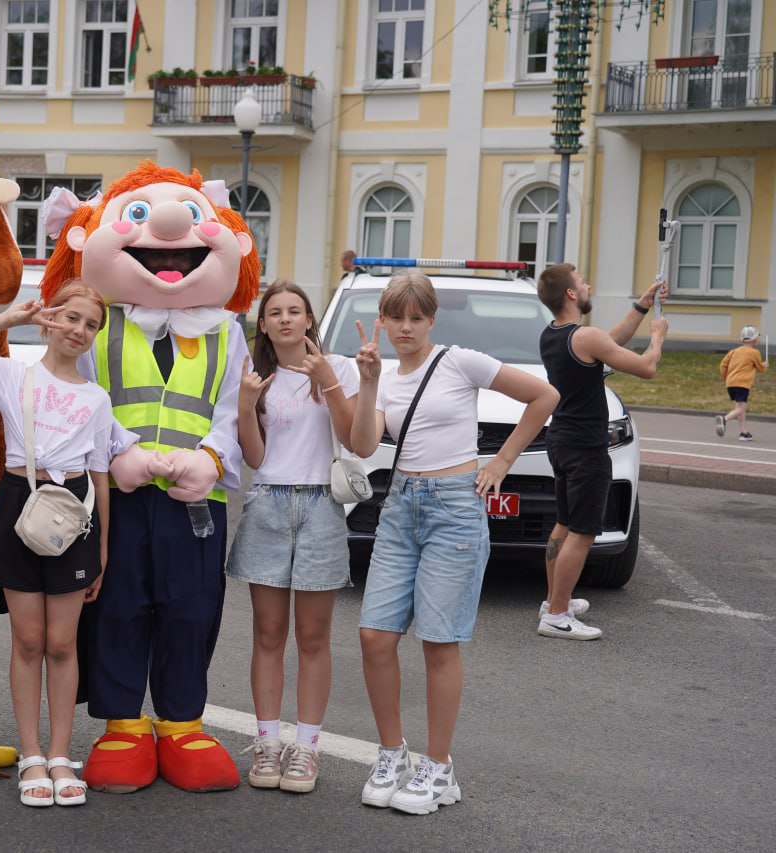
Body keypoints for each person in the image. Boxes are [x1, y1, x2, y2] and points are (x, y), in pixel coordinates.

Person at [351, 272, 557, 815]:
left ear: (431, 319)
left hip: (454, 510)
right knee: (374, 636)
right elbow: (363, 442)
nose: (406, 328)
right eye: (396, 317)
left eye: (417, 317)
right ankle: (392, 753)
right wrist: (368, 381)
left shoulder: (460, 360)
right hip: (399, 510)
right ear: (383, 318)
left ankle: (438, 768)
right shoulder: (385, 375)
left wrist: (503, 461)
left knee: (439, 642)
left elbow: (544, 395)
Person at [0, 282, 116, 808]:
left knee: (63, 643)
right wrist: (9, 318)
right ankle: (31, 754)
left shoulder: (96, 398)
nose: (79, 331)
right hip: (19, 504)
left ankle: (61, 754)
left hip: (73, 515)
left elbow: (101, 479)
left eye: (91, 325)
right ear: (51, 320)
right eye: (71, 318)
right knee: (28, 642)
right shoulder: (14, 374)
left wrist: (101, 550)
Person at [228, 280, 359, 794]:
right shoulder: (255, 377)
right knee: (267, 633)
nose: (285, 319)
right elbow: (255, 458)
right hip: (268, 503)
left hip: (322, 505)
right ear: (262, 324)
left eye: (295, 311)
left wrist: (326, 379)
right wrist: (244, 404)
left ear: (309, 320)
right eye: (274, 312)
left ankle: (306, 748)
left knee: (313, 636)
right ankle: (267, 742)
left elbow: (352, 436)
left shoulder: (336, 368)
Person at [536, 264, 667, 641]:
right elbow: (646, 368)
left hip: (561, 439)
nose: (588, 284)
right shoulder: (585, 337)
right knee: (583, 531)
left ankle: (553, 601)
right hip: (586, 447)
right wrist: (657, 337)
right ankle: (558, 615)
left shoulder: (556, 335)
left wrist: (642, 306)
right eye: (582, 282)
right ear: (571, 295)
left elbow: (609, 341)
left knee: (564, 524)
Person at [716, 326, 768, 442]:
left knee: (739, 408)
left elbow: (723, 365)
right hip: (742, 384)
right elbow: (760, 368)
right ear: (755, 340)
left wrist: (726, 378)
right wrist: (765, 365)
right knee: (742, 408)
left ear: (742, 340)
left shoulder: (733, 352)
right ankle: (724, 419)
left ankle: (743, 433)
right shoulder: (755, 352)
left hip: (730, 383)